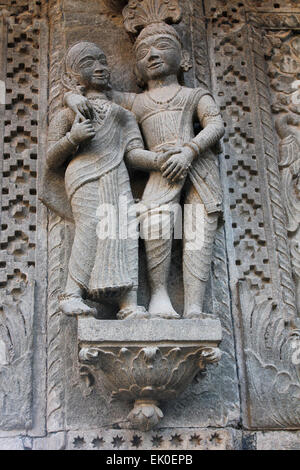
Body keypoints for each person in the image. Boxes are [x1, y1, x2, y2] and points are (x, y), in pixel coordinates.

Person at [65, 23, 225, 320]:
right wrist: (71, 98)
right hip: (160, 169)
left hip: (198, 167)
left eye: (163, 46)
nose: (152, 55)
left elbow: (215, 124)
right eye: (143, 52)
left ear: (184, 57)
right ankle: (160, 295)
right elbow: (95, 95)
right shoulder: (136, 102)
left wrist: (189, 150)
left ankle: (193, 306)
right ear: (136, 68)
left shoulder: (194, 95)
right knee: (156, 225)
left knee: (197, 228)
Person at [42, 41, 162, 319]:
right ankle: (71, 294)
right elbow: (51, 158)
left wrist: (158, 160)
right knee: (91, 226)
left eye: (102, 61)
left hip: (117, 173)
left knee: (125, 229)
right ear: (72, 76)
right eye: (88, 63)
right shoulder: (69, 113)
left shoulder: (123, 114)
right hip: (83, 173)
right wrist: (74, 137)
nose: (99, 68)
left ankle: (128, 302)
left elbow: (133, 154)